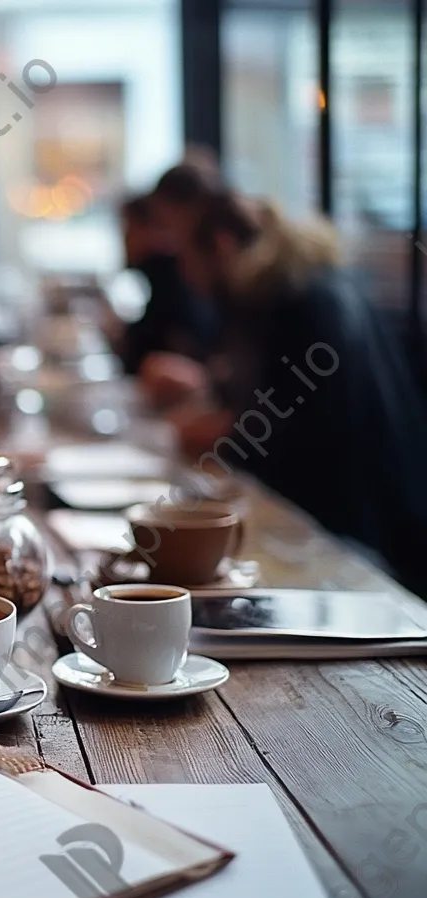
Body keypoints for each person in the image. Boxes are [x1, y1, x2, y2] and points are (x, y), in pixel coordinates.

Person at [169, 191, 427, 590]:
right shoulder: (305, 282)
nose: (185, 276)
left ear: (222, 245)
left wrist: (222, 433)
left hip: (360, 536)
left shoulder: (297, 301)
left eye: (187, 260)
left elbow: (292, 432)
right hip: (377, 511)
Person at [133, 157, 226, 407]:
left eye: (165, 224)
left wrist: (200, 380)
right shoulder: (174, 270)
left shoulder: (235, 282)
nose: (162, 238)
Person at [115, 193, 219, 378]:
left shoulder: (171, 279)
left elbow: (142, 354)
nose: (124, 240)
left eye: (129, 229)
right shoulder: (160, 277)